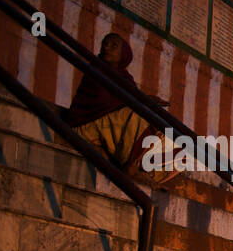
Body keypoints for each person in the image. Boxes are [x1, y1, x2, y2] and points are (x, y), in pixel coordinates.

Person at [61, 33, 172, 184]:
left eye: (113, 46)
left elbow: (125, 100)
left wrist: (146, 100)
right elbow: (105, 101)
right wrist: (143, 100)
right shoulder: (97, 68)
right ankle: (130, 166)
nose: (107, 48)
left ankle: (150, 171)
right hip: (87, 123)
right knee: (137, 115)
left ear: (123, 54)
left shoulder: (126, 78)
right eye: (105, 44)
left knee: (166, 129)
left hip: (108, 124)